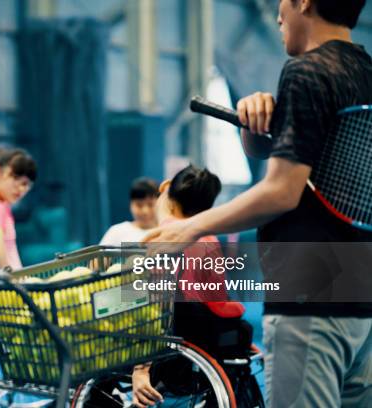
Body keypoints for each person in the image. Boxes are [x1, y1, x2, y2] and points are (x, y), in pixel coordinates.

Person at [144, 1, 372, 407]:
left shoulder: (306, 72)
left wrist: (189, 227)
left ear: (304, 2)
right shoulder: (365, 72)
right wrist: (256, 130)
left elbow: (282, 192)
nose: (279, 13)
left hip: (311, 300)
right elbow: (327, 168)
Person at [132, 165, 248, 408]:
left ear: (168, 197)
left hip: (174, 335)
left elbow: (154, 306)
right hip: (207, 335)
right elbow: (219, 298)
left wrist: (141, 369)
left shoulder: (163, 239)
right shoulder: (209, 239)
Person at [99, 178, 159, 246]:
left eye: (150, 205)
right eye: (139, 205)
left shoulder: (167, 232)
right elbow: (100, 255)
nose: (145, 211)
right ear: (131, 204)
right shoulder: (116, 232)